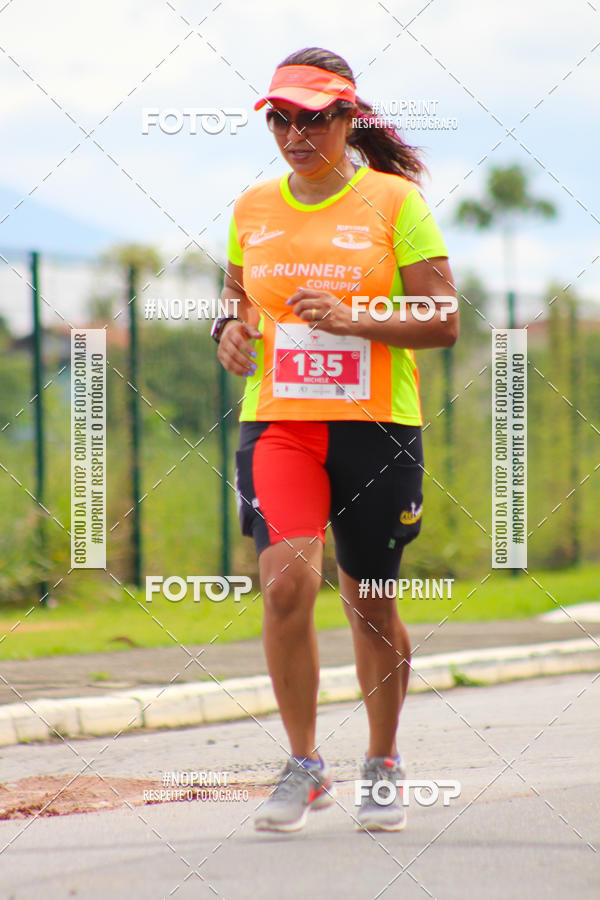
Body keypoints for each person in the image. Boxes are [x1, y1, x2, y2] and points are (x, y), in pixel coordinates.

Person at [212, 46, 458, 833]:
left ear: (348, 119)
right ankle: (304, 765)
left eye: (313, 120)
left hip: (377, 429)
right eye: (280, 120)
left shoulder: (394, 202)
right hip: (280, 423)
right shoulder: (253, 207)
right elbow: (238, 299)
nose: (295, 135)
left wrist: (356, 318)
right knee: (285, 584)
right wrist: (227, 331)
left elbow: (443, 319)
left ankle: (382, 762)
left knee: (370, 603)